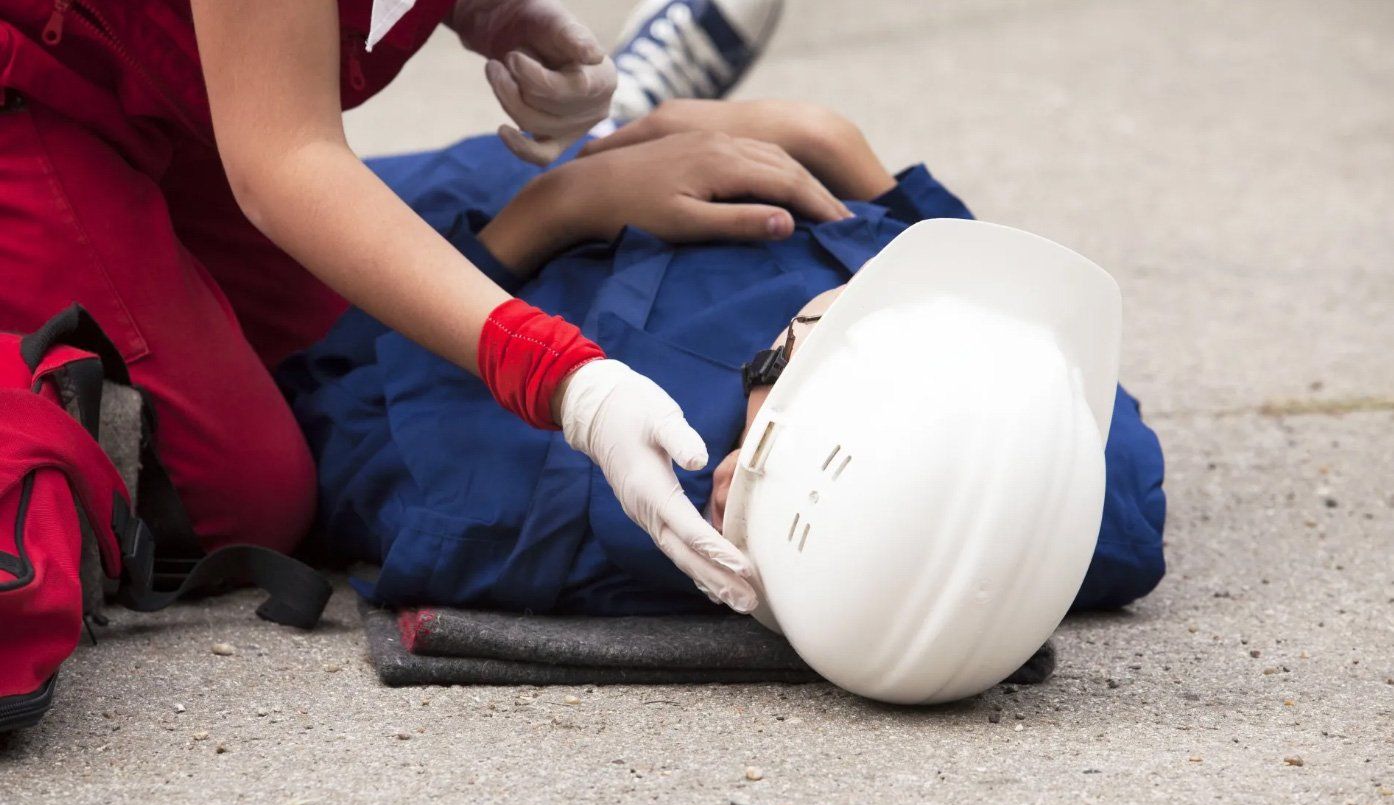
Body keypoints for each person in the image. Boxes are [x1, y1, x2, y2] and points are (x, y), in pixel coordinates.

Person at [0, 0, 809, 612]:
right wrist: (568, 380)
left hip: (181, 96)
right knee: (240, 495)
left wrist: (477, 10)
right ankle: (579, 160)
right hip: (42, 96)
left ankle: (587, 152)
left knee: (355, 337)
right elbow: (285, 163)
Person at [280, 99, 1168, 616]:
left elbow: (330, 364)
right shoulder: (1088, 498)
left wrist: (555, 206)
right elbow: (994, 293)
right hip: (755, 171)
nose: (852, 302)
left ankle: (629, 103)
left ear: (738, 478)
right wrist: (834, 146)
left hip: (494, 227)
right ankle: (651, 104)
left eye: (806, 352)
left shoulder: (503, 509)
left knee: (277, 185)